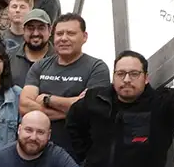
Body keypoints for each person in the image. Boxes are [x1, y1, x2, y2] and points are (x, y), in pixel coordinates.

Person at [20, 13, 110, 158]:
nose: (63, 38)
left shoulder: (97, 67)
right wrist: (71, 109)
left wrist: (47, 99)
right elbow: (24, 106)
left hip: (80, 155)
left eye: (71, 33)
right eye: (59, 34)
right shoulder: (40, 66)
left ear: (85, 37)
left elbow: (90, 108)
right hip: (40, 154)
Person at [9, 9, 53, 87]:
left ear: (49, 30)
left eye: (41, 28)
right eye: (30, 28)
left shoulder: (59, 59)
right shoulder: (8, 56)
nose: (35, 33)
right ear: (23, 30)